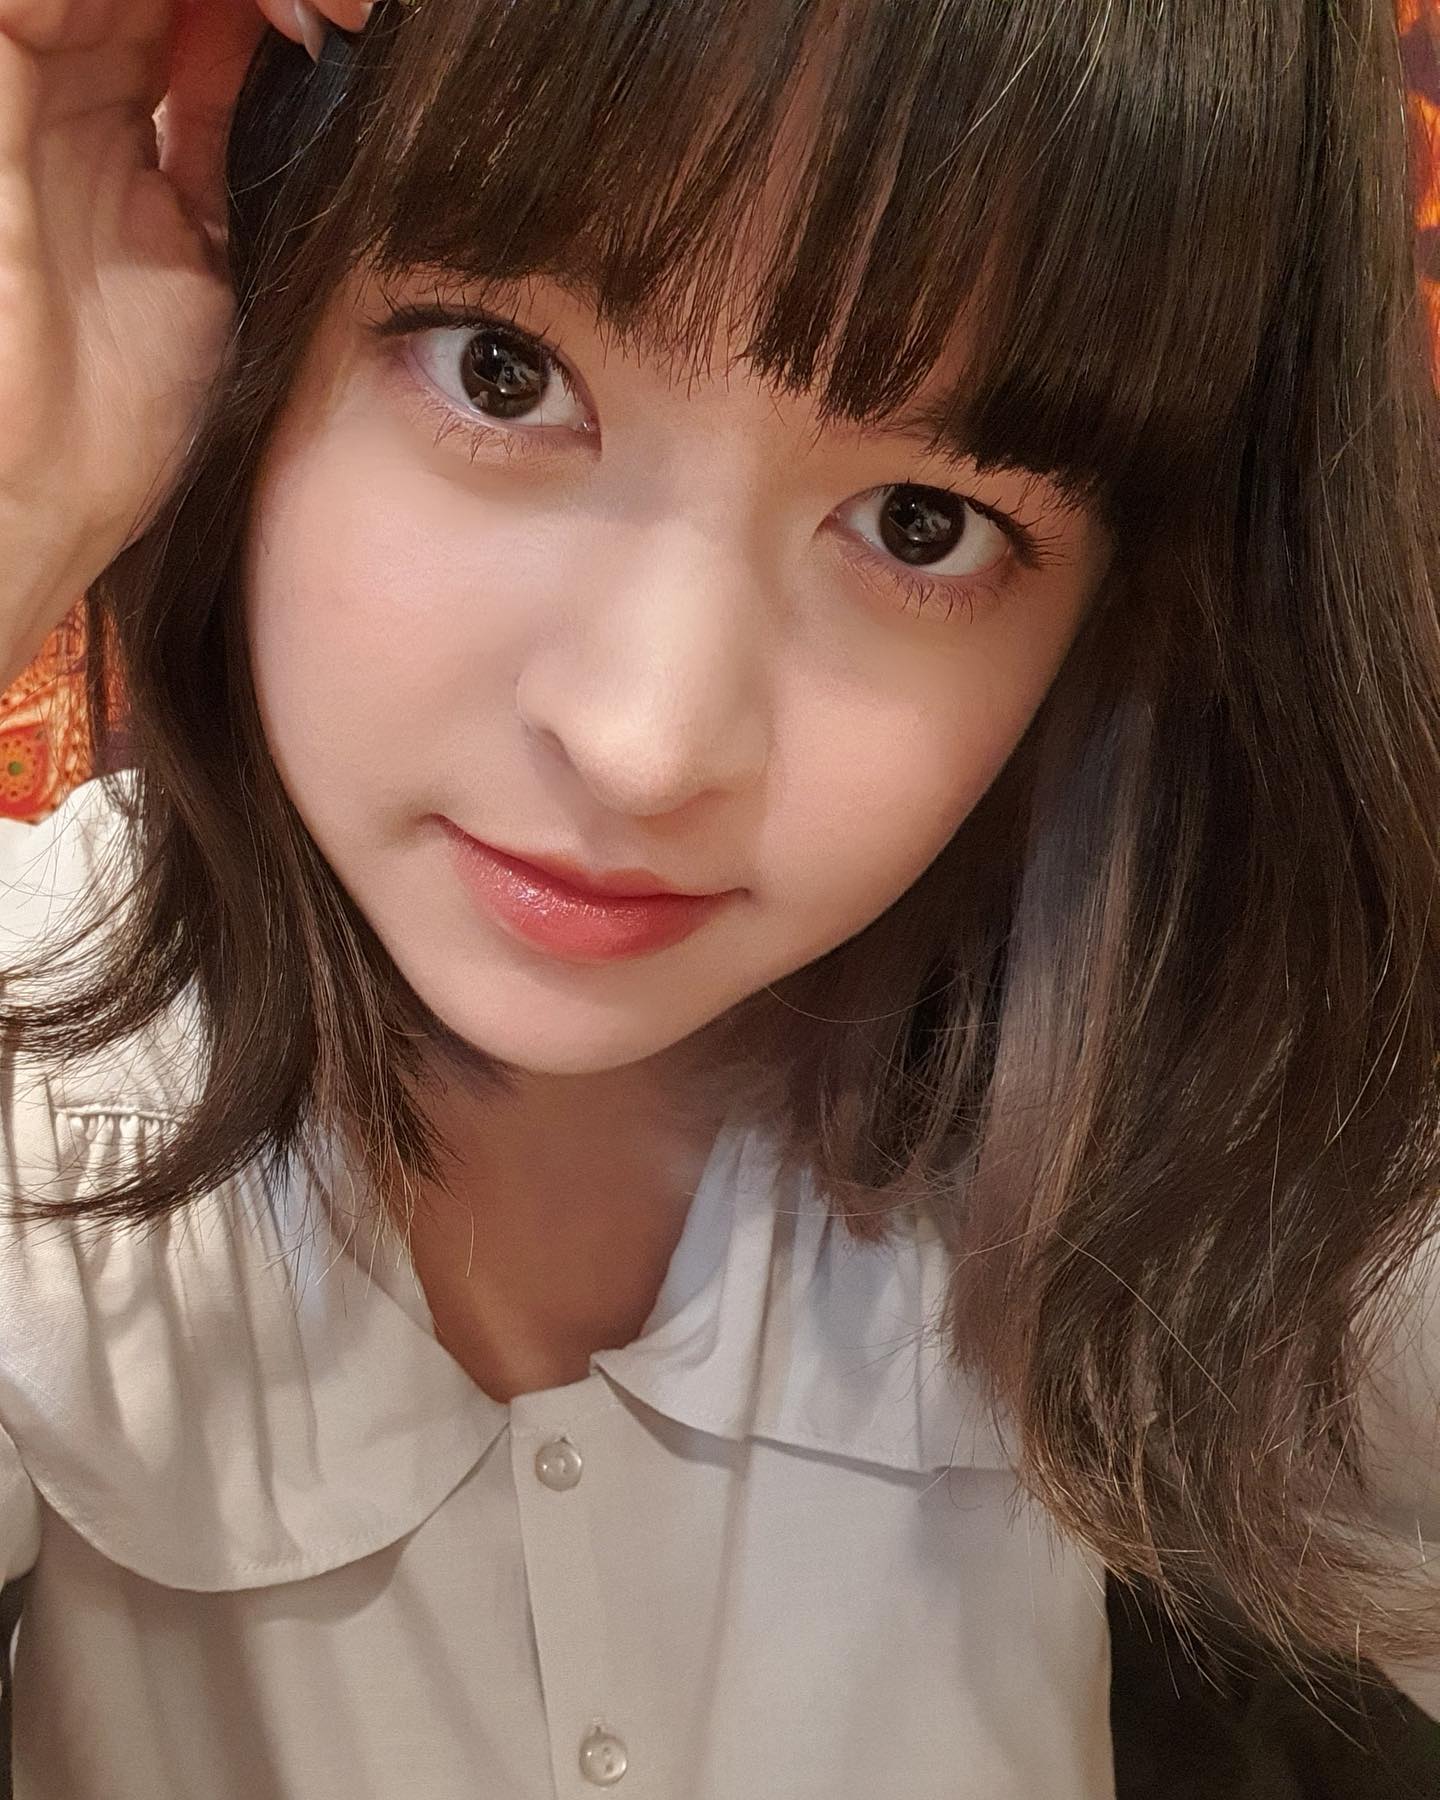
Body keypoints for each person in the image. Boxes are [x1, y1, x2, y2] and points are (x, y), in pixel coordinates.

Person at [0, 0, 1437, 1793]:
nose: (644, 744)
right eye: (502, 373)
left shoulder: (1181, 1104)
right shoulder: (38, 1082)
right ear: (259, 309)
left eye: (921, 524)